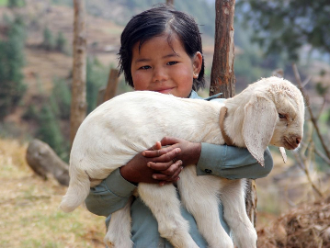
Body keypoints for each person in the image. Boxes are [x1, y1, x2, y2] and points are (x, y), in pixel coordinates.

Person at [85, 5, 273, 248]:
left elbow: (261, 162)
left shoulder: (219, 119)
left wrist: (196, 153)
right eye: (144, 67)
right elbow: (96, 203)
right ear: (129, 74)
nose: (159, 75)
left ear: (196, 65)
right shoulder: (121, 134)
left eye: (171, 62)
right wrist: (129, 174)